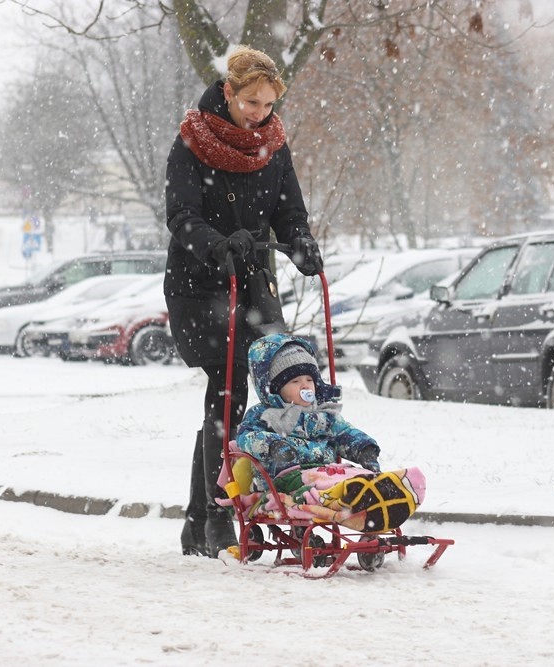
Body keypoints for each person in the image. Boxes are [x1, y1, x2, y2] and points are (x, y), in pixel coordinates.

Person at [164, 46, 323, 558]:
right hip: (201, 282)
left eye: (269, 104)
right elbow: (181, 216)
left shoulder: (273, 146)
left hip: (253, 283)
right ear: (228, 92)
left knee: (274, 385)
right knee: (228, 386)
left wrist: (301, 243)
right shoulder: (192, 142)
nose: (260, 113)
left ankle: (199, 521)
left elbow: (289, 211)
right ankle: (217, 516)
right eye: (251, 102)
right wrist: (215, 244)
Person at [237, 334, 380, 480]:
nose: (305, 386)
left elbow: (344, 433)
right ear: (275, 389)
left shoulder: (324, 414)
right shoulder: (264, 414)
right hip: (282, 482)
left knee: (353, 478)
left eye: (310, 379)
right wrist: (273, 445)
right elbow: (246, 436)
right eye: (295, 381)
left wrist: (364, 449)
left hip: (326, 476)